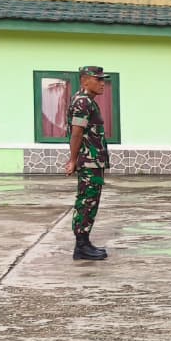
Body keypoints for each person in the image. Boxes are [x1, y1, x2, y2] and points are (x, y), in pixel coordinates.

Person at [64, 65, 112, 261]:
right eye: (98, 79)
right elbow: (76, 133)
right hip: (88, 162)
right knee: (86, 201)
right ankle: (81, 246)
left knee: (90, 201)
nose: (102, 84)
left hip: (93, 161)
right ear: (84, 81)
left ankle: (84, 242)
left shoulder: (87, 101)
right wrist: (73, 160)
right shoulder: (82, 102)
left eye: (103, 80)